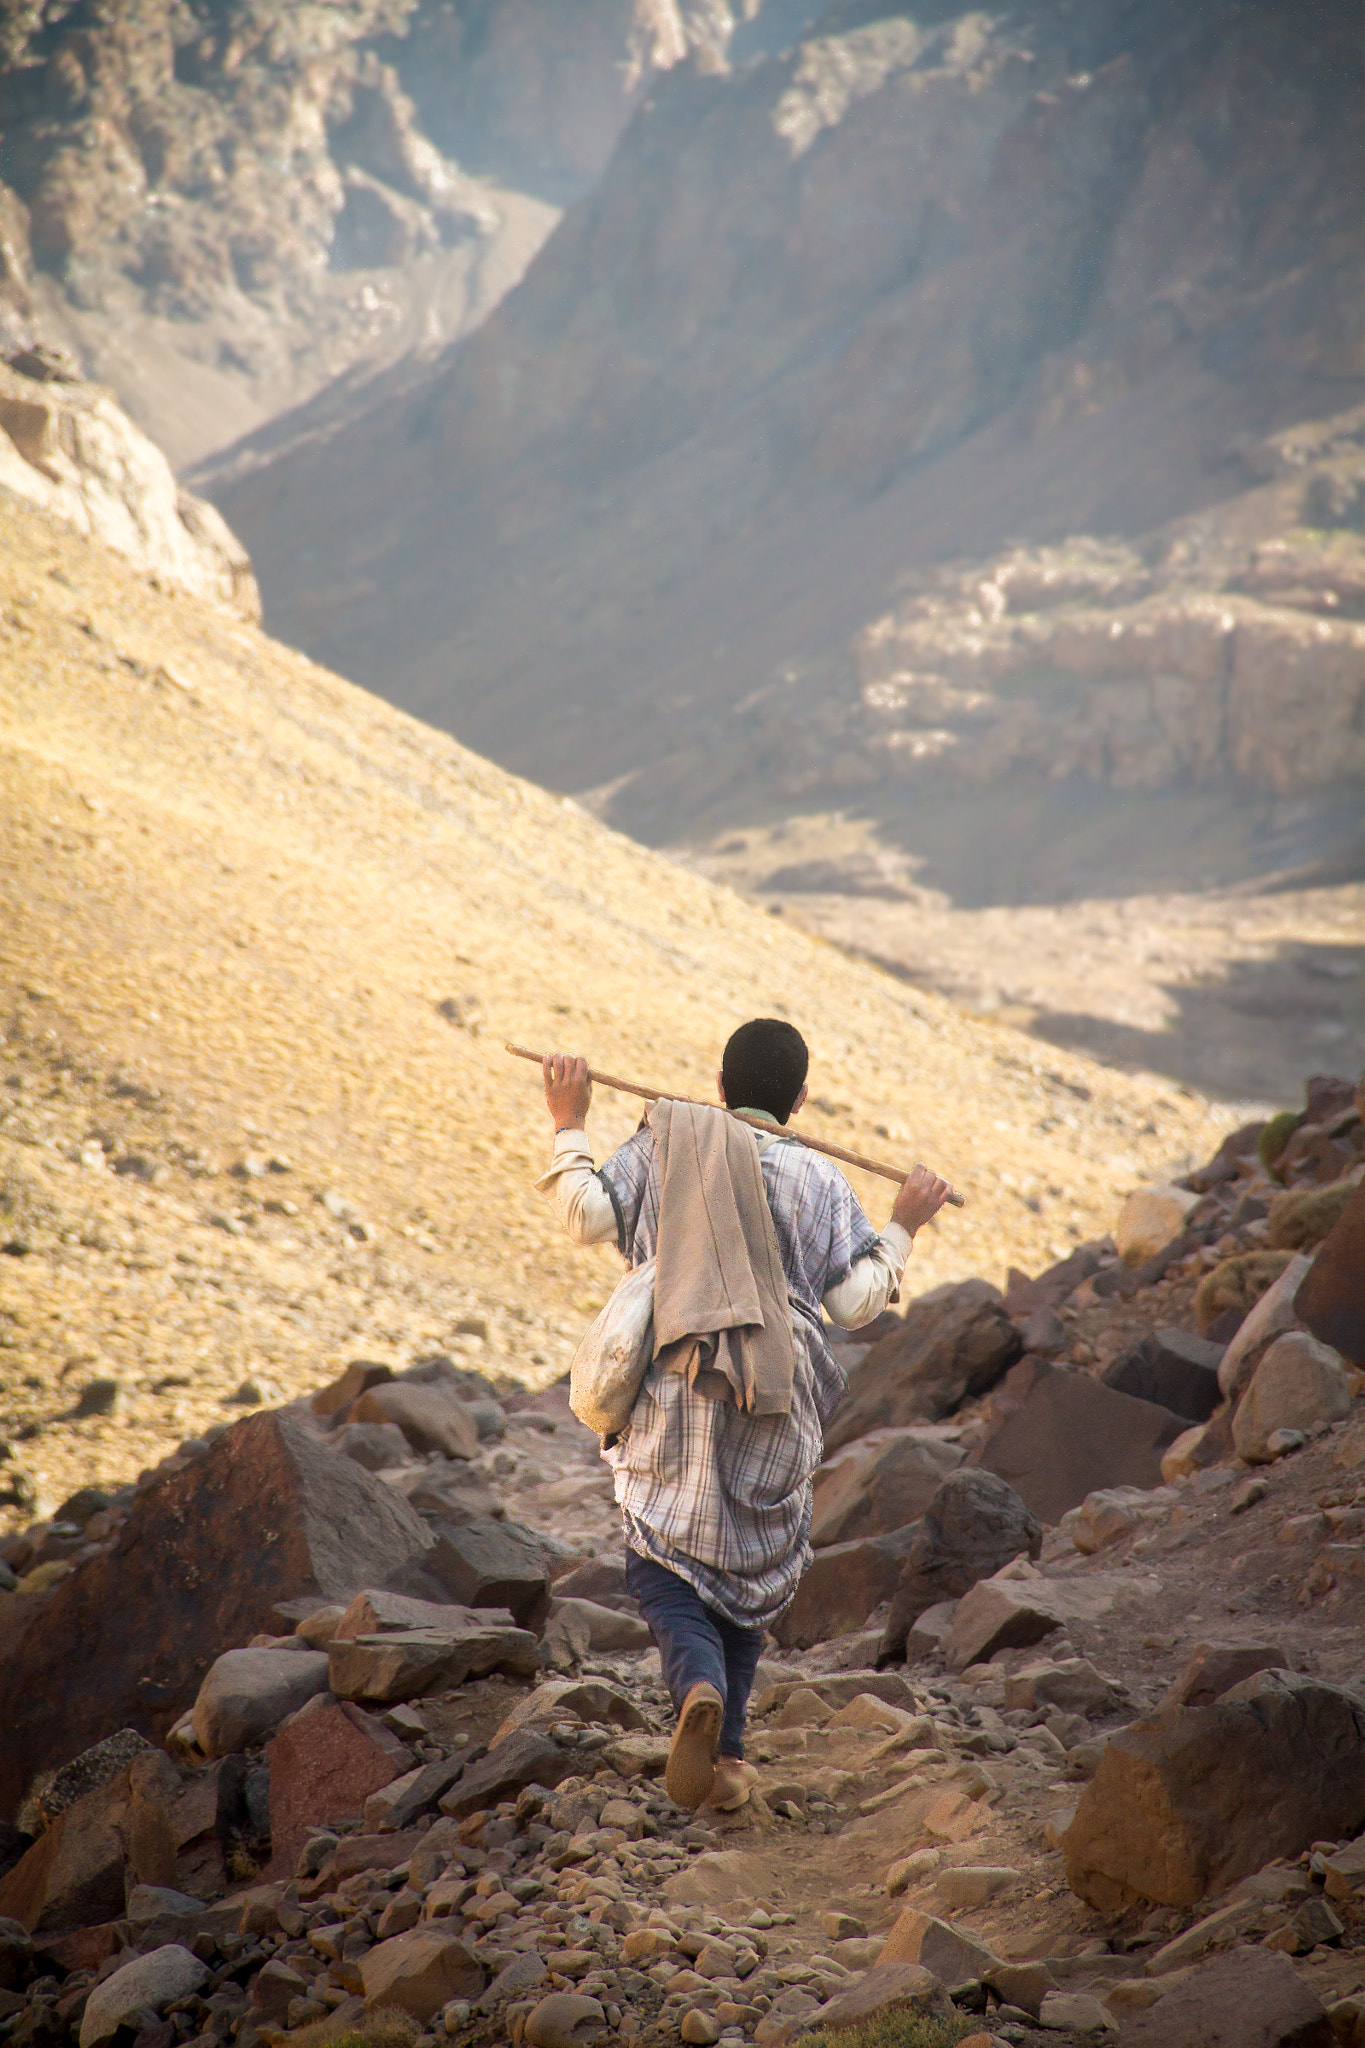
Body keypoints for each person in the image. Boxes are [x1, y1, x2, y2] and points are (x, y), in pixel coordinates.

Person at [537, 1017, 953, 1812]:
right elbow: (853, 1304)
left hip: (673, 1377)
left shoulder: (668, 1140)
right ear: (799, 1100)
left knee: (661, 1559)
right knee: (750, 1565)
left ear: (718, 1086)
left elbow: (587, 1218)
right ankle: (725, 1760)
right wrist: (903, 1225)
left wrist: (569, 1119)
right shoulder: (818, 1180)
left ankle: (696, 1682)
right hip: (777, 1387)